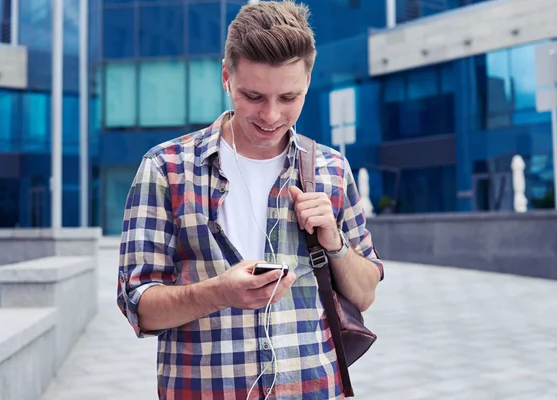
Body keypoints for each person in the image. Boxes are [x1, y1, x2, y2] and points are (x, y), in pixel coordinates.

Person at [117, 1, 384, 399]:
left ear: (308, 82)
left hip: (314, 388)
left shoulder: (331, 168)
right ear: (227, 78)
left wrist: (334, 243)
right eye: (254, 96)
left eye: (289, 97)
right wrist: (219, 292)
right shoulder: (166, 169)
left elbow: (365, 294)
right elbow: (139, 306)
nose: (271, 115)